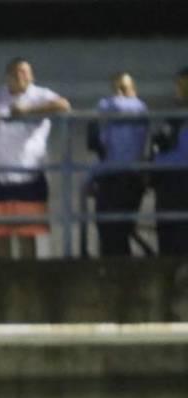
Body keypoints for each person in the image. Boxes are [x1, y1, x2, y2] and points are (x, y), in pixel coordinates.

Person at [0, 58, 71, 260]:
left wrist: (28, 110)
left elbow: (63, 105)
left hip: (29, 175)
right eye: (15, 72)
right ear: (7, 76)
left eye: (24, 72)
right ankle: (3, 277)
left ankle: (27, 277)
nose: (20, 76)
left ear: (32, 76)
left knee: (27, 235)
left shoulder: (40, 94)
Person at [87, 73, 149, 258]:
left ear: (134, 90)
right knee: (108, 228)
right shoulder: (111, 117)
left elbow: (115, 106)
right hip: (112, 176)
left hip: (126, 177)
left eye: (124, 88)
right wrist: (91, 177)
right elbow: (104, 151)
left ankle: (120, 268)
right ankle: (114, 267)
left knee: (116, 229)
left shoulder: (137, 107)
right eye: (116, 89)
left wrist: (106, 105)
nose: (119, 94)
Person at [151, 68, 188, 257]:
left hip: (177, 180)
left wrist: (157, 160)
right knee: (169, 234)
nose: (178, 89)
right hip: (170, 181)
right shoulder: (174, 118)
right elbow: (160, 142)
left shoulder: (177, 118)